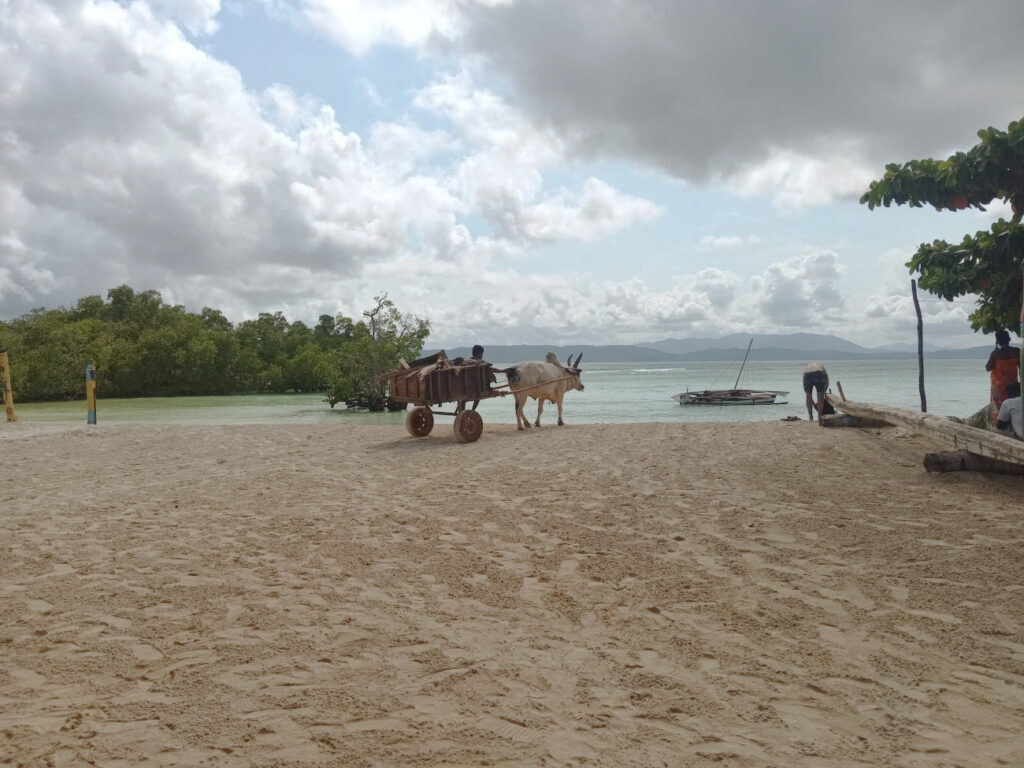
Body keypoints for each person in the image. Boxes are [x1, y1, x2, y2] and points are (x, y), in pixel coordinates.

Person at [985, 328, 1019, 425]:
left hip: (998, 387)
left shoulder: (995, 353)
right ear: (1009, 339)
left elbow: (988, 367)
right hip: (1013, 385)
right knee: (1012, 405)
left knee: (998, 408)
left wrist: (995, 350)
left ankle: (999, 425)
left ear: (997, 341)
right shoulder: (1016, 351)